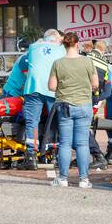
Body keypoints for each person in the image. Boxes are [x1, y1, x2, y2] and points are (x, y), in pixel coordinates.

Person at [48, 32, 99, 188]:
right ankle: (84, 180)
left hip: (65, 106)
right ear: (77, 44)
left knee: (64, 143)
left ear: (64, 45)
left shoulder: (58, 63)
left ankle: (63, 178)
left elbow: (51, 86)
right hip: (84, 105)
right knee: (82, 143)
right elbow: (95, 84)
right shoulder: (88, 62)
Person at [19, 29, 65, 170]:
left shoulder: (33, 47)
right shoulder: (61, 49)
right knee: (58, 121)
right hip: (53, 89)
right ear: (57, 39)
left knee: (32, 121)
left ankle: (31, 156)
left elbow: (24, 64)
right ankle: (58, 154)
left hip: (34, 86)